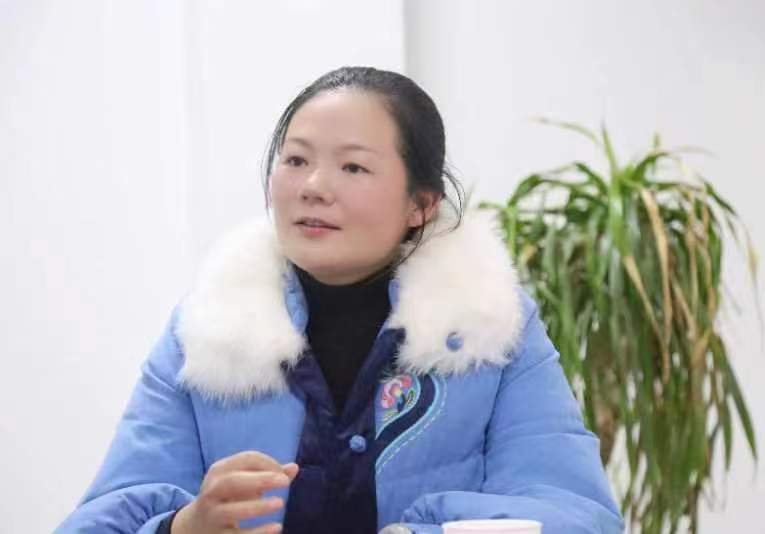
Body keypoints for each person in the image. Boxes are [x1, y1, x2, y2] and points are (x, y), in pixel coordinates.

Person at [56, 66, 623, 534]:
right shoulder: (207, 330)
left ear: (421, 204)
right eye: (296, 160)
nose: (313, 187)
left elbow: (576, 516)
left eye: (353, 166)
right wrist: (182, 527)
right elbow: (100, 520)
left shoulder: (490, 327)